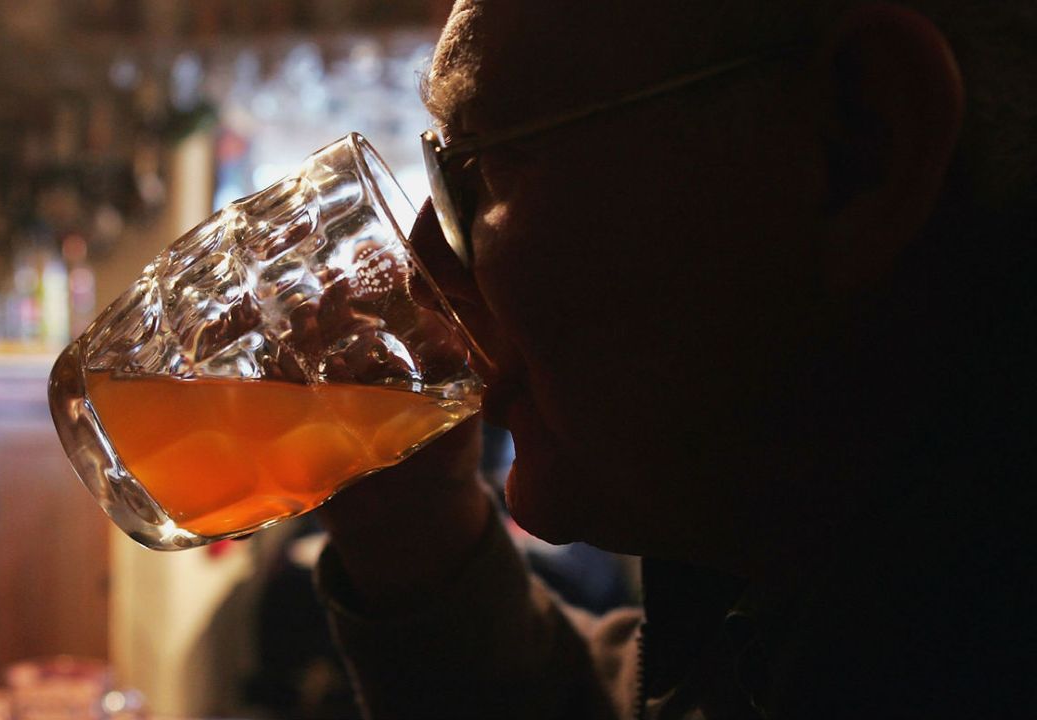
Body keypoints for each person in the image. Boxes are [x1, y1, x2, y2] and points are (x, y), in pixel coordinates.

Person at [310, 1, 1037, 718]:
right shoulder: (829, 591)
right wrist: (415, 536)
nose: (422, 268)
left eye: (481, 166)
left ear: (856, 145)